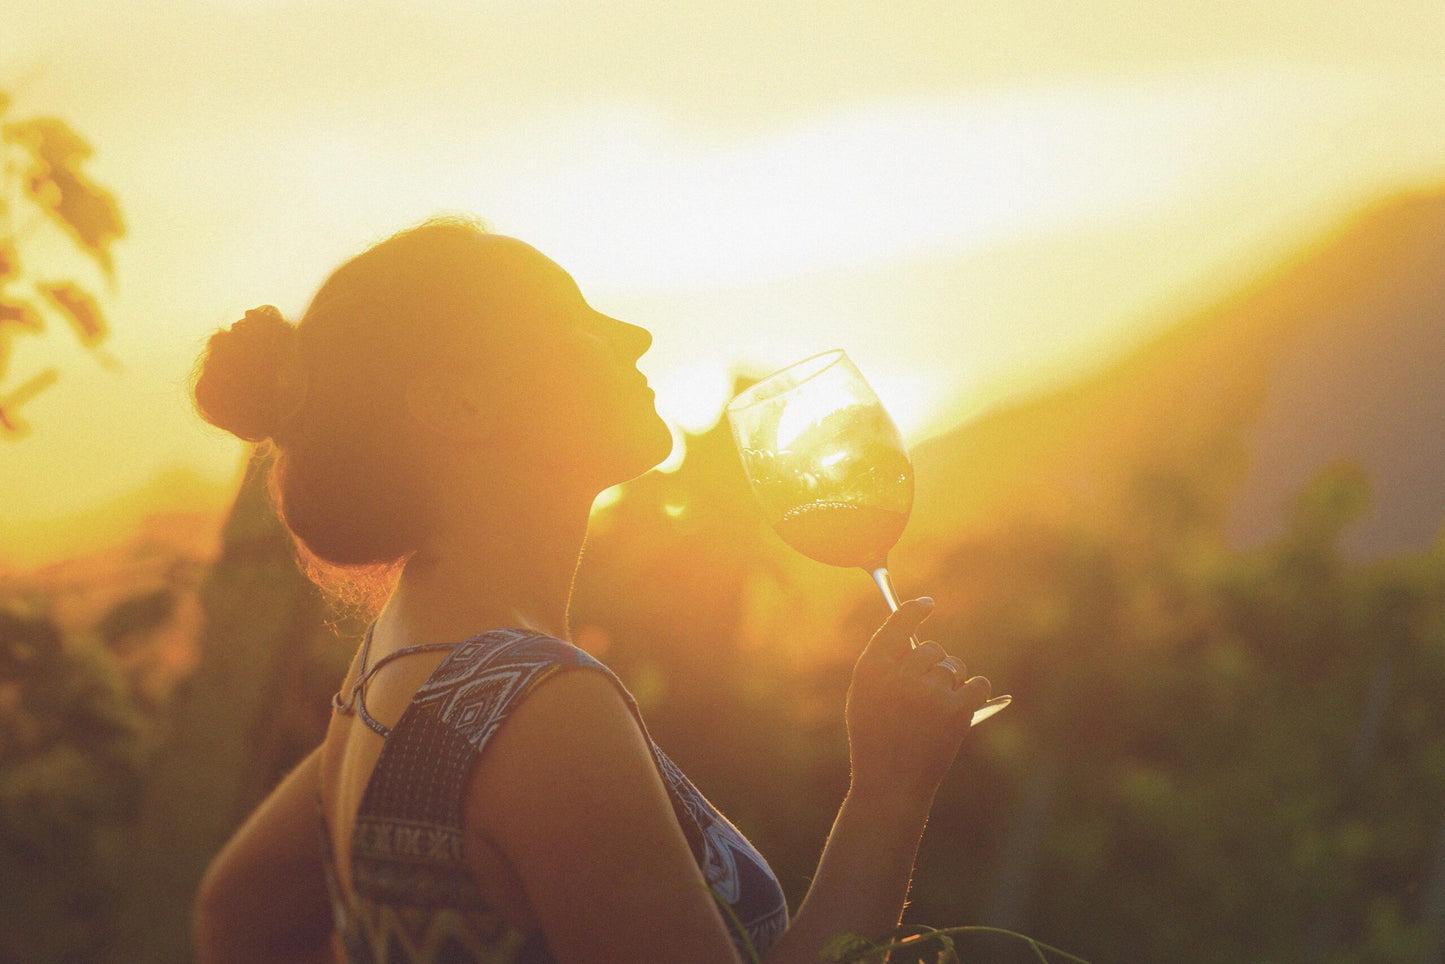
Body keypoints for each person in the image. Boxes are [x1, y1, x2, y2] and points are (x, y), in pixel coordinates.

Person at [189, 218, 994, 964]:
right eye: (571, 316)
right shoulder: (541, 709)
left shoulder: (392, 674)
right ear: (461, 404)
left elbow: (236, 910)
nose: (634, 336)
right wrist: (889, 794)